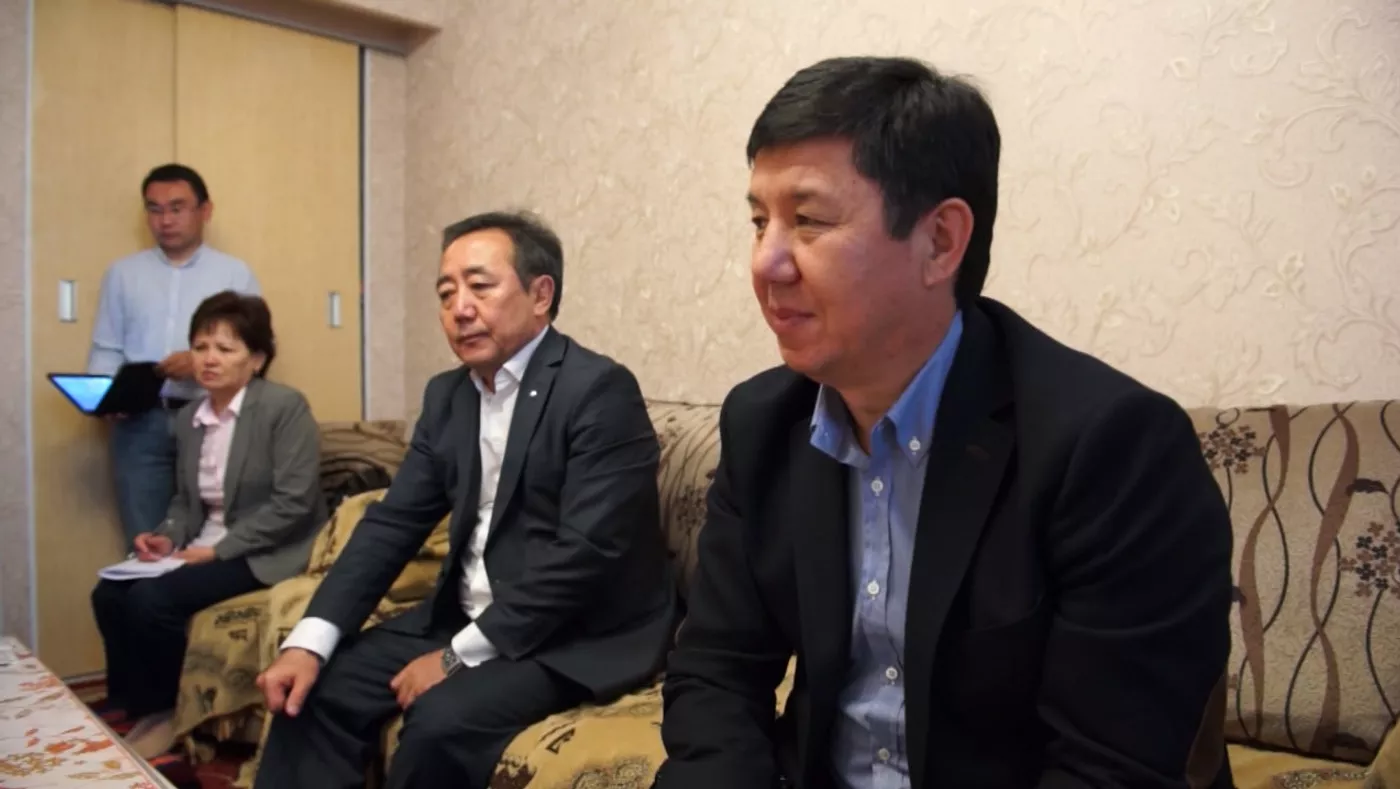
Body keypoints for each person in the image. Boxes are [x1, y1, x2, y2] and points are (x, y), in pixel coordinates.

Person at [655, 56, 1235, 789]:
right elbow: (716, 671)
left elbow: (1113, 768)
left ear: (940, 242)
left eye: (808, 220)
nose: (766, 262)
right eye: (757, 221)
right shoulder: (764, 422)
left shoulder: (1113, 448)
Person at [254, 210, 676, 789]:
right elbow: (392, 525)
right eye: (446, 292)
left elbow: (586, 554)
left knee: (440, 721)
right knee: (315, 687)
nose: (460, 308)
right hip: (466, 616)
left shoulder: (598, 390)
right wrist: (310, 641)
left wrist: (457, 656)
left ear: (540, 295)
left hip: (575, 634)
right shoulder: (448, 396)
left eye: (480, 286)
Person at [90, 290, 324, 760]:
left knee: (153, 601)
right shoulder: (189, 419)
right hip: (206, 543)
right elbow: (186, 502)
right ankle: (129, 702)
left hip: (268, 549)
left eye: (225, 348)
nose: (209, 359)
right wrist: (166, 536)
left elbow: (294, 502)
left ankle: (167, 714)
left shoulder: (284, 407)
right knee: (108, 593)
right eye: (200, 347)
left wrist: (219, 550)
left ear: (256, 359)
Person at [88, 164, 261, 545]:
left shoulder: (235, 274)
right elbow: (106, 348)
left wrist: (198, 363)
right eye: (155, 209)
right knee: (145, 538)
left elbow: (254, 353)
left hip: (211, 418)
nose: (165, 220)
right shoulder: (122, 274)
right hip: (139, 423)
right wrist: (106, 397)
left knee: (215, 534)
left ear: (205, 210)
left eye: (177, 208)